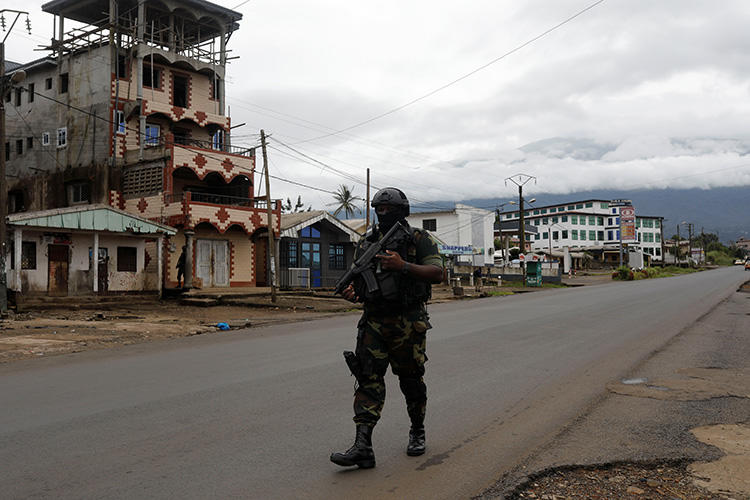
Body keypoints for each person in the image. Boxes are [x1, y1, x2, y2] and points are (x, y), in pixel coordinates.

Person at [330, 187, 445, 469]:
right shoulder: (366, 242)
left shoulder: (419, 238)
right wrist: (353, 294)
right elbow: (361, 288)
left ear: (401, 211)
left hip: (407, 321)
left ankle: (417, 430)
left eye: (387, 209)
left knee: (411, 381)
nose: (382, 214)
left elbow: (437, 273)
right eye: (378, 209)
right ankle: (363, 446)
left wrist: (402, 264)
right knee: (367, 379)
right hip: (373, 322)